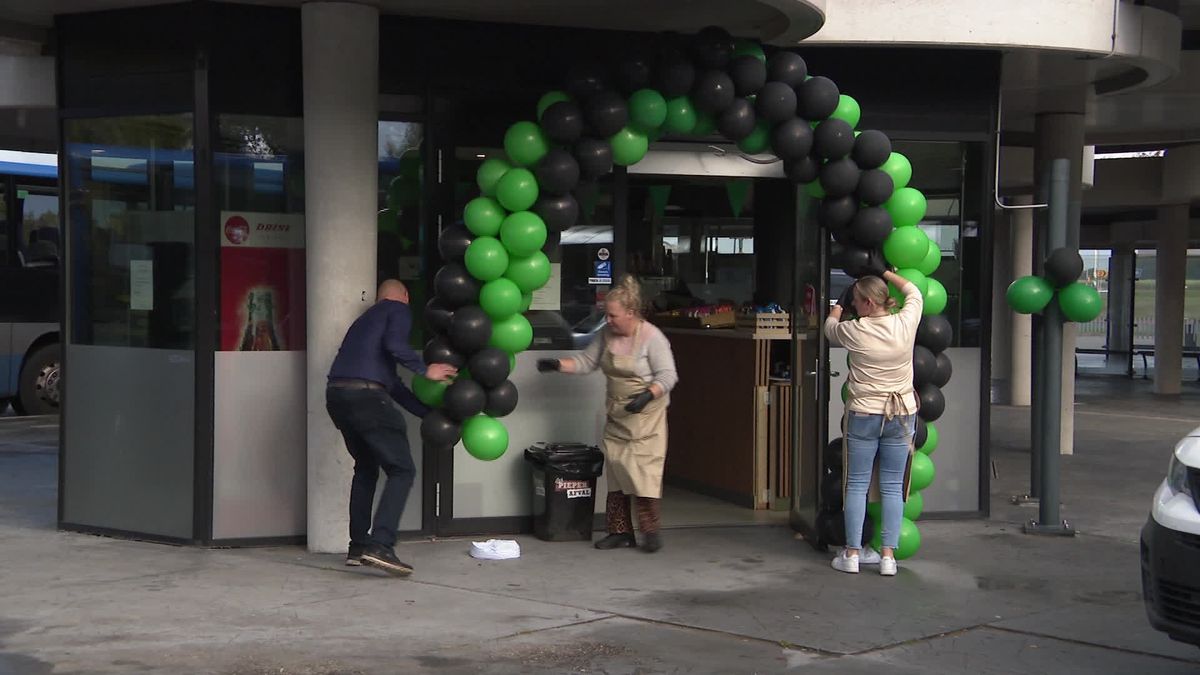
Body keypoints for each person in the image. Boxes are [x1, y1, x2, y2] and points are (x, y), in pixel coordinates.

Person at [537, 275, 679, 552]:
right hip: (617, 413)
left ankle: (650, 533)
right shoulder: (606, 335)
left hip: (646, 419)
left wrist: (648, 394)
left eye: (613, 315)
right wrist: (557, 364)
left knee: (643, 476)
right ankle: (620, 532)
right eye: (607, 315)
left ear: (631, 312)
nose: (609, 320)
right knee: (616, 473)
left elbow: (668, 375)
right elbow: (587, 362)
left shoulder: (653, 337)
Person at [326, 279, 456, 576]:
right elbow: (395, 346)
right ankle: (381, 544)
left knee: (366, 468)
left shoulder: (363, 323)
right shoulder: (396, 310)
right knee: (402, 470)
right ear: (405, 297)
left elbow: (394, 385)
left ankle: (358, 546)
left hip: (338, 396)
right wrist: (426, 369)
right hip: (367, 398)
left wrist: (428, 413)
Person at [824, 269, 923, 577]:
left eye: (855, 302)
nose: (852, 307)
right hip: (901, 414)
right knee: (893, 487)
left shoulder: (854, 330)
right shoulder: (905, 323)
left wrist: (836, 310)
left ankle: (852, 554)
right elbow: (915, 293)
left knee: (856, 485)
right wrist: (887, 272)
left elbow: (830, 329)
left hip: (864, 413)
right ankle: (888, 558)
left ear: (867, 303)